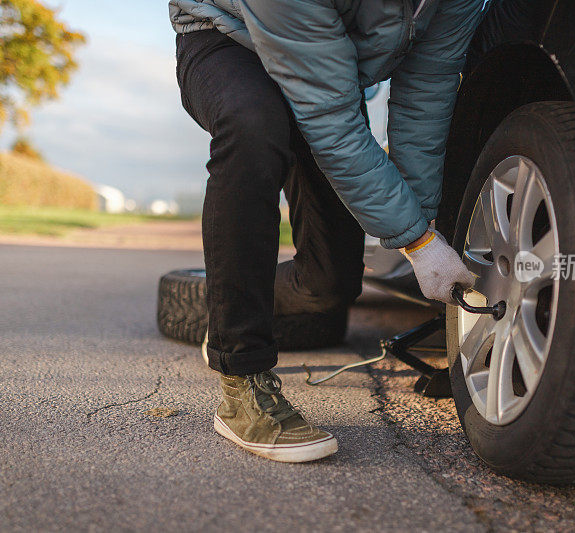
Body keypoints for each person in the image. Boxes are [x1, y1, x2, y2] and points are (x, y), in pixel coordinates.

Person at [170, 0, 488, 463]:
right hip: (226, 35)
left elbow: (428, 86)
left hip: (327, 64)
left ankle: (231, 303)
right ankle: (241, 378)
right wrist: (416, 243)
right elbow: (331, 122)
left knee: (330, 282)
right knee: (253, 123)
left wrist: (422, 221)